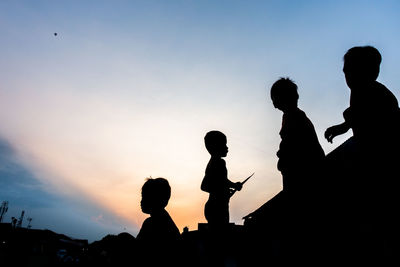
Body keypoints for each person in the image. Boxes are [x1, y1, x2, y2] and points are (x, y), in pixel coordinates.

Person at [324, 46, 400, 264]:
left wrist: (348, 124)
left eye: (351, 71)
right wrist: (344, 126)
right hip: (369, 160)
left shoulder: (375, 93)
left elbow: (375, 119)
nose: (347, 77)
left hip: (381, 163)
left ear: (371, 72)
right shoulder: (360, 91)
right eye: (346, 72)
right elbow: (357, 116)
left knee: (378, 214)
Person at [201, 131, 242, 229]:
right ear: (215, 146)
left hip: (216, 207)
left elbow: (221, 181)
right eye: (224, 144)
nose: (227, 147)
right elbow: (205, 185)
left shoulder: (214, 162)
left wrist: (226, 191)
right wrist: (233, 185)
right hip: (217, 208)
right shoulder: (219, 162)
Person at [136, 177, 181, 266]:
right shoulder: (165, 221)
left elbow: (137, 249)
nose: (141, 201)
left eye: (145, 197)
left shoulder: (151, 223)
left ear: (155, 199)